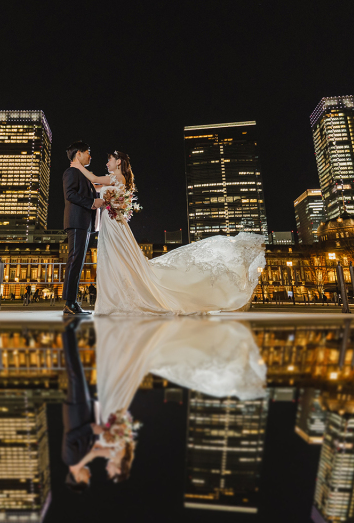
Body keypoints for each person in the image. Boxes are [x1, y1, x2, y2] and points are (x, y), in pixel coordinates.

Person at [72, 150, 265, 315]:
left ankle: (119, 299)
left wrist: (77, 165)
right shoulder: (116, 180)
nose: (107, 163)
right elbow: (95, 186)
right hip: (111, 222)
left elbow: (95, 179)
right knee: (116, 259)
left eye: (110, 160)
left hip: (113, 224)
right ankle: (116, 298)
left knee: (116, 258)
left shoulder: (116, 177)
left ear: (119, 162)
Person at [61, 318, 107, 491]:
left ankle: (68, 328)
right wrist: (101, 433)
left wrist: (91, 430)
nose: (90, 476)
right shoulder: (81, 458)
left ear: (77, 478)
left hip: (76, 409)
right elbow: (91, 439)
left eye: (87, 479)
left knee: (74, 370)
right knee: (77, 369)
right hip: (84, 408)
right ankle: (71, 329)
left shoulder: (70, 459)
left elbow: (70, 438)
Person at [62, 141, 103, 316]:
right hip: (77, 222)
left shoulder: (83, 174)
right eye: (88, 152)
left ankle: (72, 303)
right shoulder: (71, 172)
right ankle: (69, 303)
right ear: (78, 154)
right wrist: (93, 202)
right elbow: (70, 194)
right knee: (74, 260)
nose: (90, 156)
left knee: (78, 262)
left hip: (84, 223)